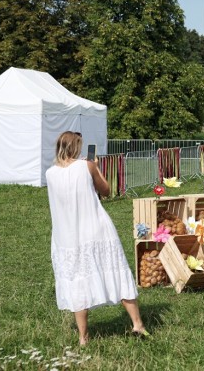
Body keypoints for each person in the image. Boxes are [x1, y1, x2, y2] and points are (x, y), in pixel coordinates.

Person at [46, 131, 149, 346]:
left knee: (77, 281)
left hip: (67, 236)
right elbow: (107, 190)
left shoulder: (50, 173)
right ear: (75, 147)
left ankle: (83, 337)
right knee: (117, 271)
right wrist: (95, 166)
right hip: (95, 229)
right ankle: (137, 324)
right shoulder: (87, 166)